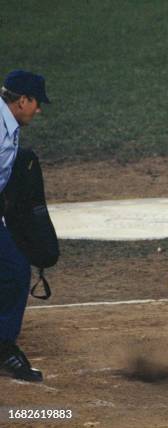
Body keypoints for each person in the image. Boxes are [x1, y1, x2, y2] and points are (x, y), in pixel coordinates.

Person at [0, 70, 51, 382]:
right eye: (36, 102)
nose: (39, 109)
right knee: (14, 268)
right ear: (22, 100)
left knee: (15, 269)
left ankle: (4, 345)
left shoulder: (10, 122)